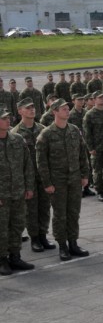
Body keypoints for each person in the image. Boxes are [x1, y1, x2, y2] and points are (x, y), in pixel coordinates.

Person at [36, 99, 90, 262]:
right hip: (57, 182)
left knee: (73, 212)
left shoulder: (74, 130)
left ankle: (73, 243)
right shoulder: (46, 135)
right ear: (54, 112)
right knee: (60, 215)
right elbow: (41, 162)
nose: (67, 111)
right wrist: (47, 183)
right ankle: (63, 246)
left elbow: (82, 154)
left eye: (68, 108)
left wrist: (85, 175)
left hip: (74, 179)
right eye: (64, 109)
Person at [12, 98, 54, 253]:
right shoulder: (15, 133)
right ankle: (34, 238)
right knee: (31, 210)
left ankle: (43, 235)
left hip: (42, 176)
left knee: (44, 207)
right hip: (27, 179)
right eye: (28, 108)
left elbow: (49, 154)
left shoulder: (42, 129)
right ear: (20, 111)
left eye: (33, 107)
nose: (32, 110)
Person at [0, 108, 35, 275]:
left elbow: (27, 165)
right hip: (2, 195)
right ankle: (2, 259)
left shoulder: (18, 140)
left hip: (18, 192)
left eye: (8, 118)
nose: (7, 121)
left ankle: (15, 256)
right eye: (3, 118)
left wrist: (28, 187)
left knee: (17, 225)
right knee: (2, 227)